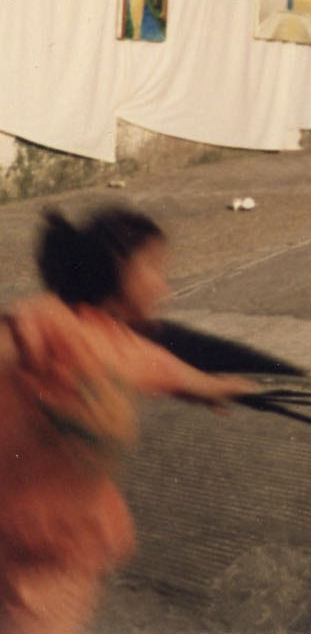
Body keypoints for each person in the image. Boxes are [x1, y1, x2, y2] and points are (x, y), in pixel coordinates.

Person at [0, 206, 255, 634]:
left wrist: (216, 387)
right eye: (154, 268)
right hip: (28, 526)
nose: (164, 286)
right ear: (114, 269)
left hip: (59, 541)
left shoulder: (123, 347)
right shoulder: (47, 323)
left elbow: (171, 372)